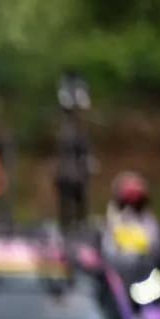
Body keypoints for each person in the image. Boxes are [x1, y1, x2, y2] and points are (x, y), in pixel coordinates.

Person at [53, 74, 95, 231]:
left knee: (79, 205)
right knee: (68, 205)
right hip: (69, 171)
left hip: (77, 171)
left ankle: (78, 226)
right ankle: (69, 228)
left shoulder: (80, 128)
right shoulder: (67, 128)